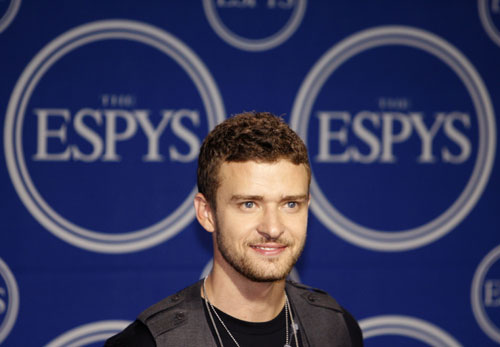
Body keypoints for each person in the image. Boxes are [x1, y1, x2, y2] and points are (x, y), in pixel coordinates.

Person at [105, 112, 363, 346]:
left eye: (290, 204)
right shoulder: (146, 343)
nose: (272, 228)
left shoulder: (336, 329)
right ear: (207, 213)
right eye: (249, 204)